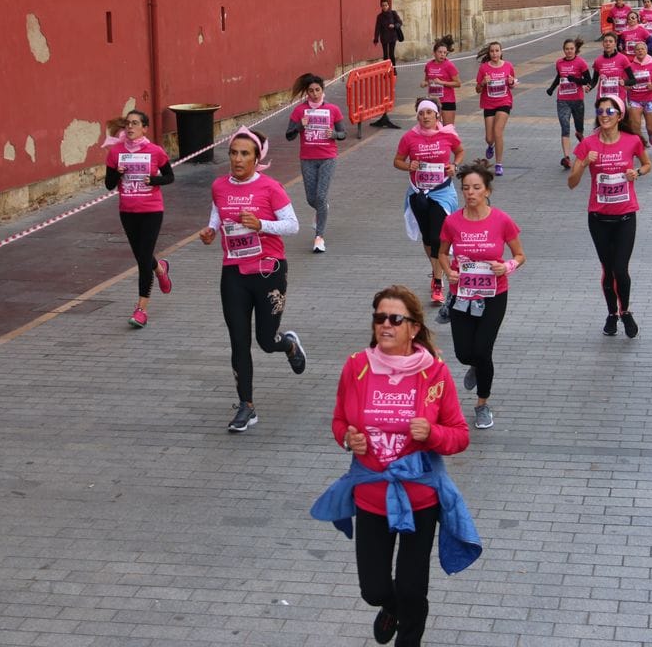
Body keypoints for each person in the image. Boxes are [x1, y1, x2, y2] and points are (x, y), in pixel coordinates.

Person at [311, 285, 479, 647]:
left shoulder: (434, 374)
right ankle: (389, 607)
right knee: (373, 588)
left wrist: (432, 433)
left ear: (414, 327)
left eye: (394, 318)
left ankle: (410, 638)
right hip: (371, 495)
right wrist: (347, 438)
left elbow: (460, 435)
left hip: (420, 497)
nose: (385, 325)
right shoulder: (356, 367)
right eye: (379, 318)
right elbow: (340, 419)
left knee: (411, 585)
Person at [199, 127, 307, 432]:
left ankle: (288, 346)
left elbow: (293, 226)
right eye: (233, 152)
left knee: (264, 340)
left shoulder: (271, 187)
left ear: (257, 157)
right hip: (233, 271)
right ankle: (246, 405)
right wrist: (209, 231)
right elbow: (217, 215)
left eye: (245, 153)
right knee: (238, 342)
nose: (237, 159)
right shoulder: (219, 186)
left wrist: (262, 224)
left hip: (269, 271)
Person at [438, 161, 525, 430]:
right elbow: (442, 253)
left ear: (487, 191)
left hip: (493, 295)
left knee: (483, 350)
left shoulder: (502, 220)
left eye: (476, 188)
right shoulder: (452, 222)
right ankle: (474, 364)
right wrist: (447, 273)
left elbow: (520, 256)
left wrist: (506, 266)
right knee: (465, 353)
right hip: (462, 294)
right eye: (466, 188)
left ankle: (482, 405)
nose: (470, 193)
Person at [567, 95, 652, 339]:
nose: (604, 115)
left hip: (626, 216)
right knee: (608, 269)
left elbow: (647, 165)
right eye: (601, 111)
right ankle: (611, 313)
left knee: (620, 269)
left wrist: (636, 172)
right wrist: (583, 164)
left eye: (610, 111)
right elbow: (571, 183)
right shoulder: (588, 144)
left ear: (620, 116)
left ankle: (625, 311)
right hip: (598, 218)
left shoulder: (632, 141)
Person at [103, 110, 175, 328]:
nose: (130, 128)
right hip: (127, 211)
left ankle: (141, 309)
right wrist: (117, 172)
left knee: (143, 259)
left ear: (145, 128)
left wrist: (153, 180)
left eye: (135, 124)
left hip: (152, 210)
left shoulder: (155, 151)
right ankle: (160, 269)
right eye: (127, 124)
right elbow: (108, 184)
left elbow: (170, 177)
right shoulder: (116, 153)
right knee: (142, 256)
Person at [395, 99, 465, 305]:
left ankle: (437, 281)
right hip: (418, 193)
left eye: (429, 113)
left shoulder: (448, 134)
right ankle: (436, 269)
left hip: (442, 192)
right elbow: (397, 161)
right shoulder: (409, 137)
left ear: (437, 116)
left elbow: (460, 151)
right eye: (421, 113)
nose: (425, 116)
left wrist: (454, 165)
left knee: (437, 236)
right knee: (427, 237)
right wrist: (408, 165)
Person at [286, 73, 346, 253]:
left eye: (317, 90)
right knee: (311, 199)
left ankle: (319, 237)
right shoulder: (299, 111)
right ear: (307, 92)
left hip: (328, 157)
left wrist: (333, 134)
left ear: (323, 90)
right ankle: (322, 208)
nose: (314, 94)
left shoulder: (333, 109)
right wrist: (300, 127)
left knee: (320, 196)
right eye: (311, 91)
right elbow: (289, 135)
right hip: (307, 159)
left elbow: (343, 134)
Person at [545, 37, 591, 170]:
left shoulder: (580, 62)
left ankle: (581, 137)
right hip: (563, 99)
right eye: (567, 49)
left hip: (577, 100)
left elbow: (587, 80)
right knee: (565, 126)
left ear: (575, 49)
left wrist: (575, 80)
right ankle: (566, 157)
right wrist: (552, 89)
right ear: (563, 50)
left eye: (571, 49)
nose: (569, 51)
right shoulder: (559, 63)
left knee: (578, 128)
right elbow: (559, 77)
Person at [474, 41, 516, 177]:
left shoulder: (508, 66)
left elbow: (513, 84)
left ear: (501, 52)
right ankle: (490, 145)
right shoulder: (484, 68)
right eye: (492, 51)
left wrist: (511, 83)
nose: (494, 54)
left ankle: (499, 164)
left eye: (497, 51)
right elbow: (477, 90)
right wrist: (482, 83)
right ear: (489, 53)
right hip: (489, 103)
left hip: (504, 102)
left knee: (498, 131)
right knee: (489, 138)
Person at [371, 0, 404, 128]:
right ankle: (386, 71)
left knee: (391, 55)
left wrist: (394, 26)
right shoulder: (379, 17)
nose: (384, 7)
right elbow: (377, 28)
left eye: (386, 5)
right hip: (384, 38)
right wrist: (375, 38)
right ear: (380, 6)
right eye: (382, 5)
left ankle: (393, 69)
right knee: (385, 56)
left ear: (388, 5)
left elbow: (399, 22)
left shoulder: (393, 13)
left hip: (392, 37)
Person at [626, 40, 652, 147]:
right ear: (634, 52)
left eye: (642, 49)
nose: (640, 51)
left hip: (651, 99)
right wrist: (627, 85)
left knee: (650, 127)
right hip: (635, 99)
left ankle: (651, 134)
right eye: (637, 49)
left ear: (646, 51)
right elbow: (626, 82)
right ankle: (642, 143)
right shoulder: (630, 67)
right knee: (635, 126)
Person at [421, 36, 461, 127]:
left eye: (444, 53)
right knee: (433, 128)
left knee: (448, 129)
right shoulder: (429, 65)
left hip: (447, 101)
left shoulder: (449, 65)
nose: (442, 54)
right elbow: (426, 80)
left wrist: (442, 82)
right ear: (434, 53)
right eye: (440, 52)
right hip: (433, 101)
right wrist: (424, 83)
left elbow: (458, 83)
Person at [588, 31, 634, 101]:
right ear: (603, 43)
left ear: (615, 43)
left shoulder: (623, 59)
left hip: (618, 97)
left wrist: (624, 82)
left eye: (610, 41)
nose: (608, 44)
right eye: (605, 41)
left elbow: (633, 80)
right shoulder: (598, 60)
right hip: (603, 97)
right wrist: (590, 87)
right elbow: (594, 80)